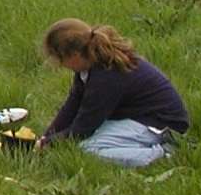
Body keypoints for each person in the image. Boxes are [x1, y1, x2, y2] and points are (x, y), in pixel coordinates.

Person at [36, 18, 189, 167]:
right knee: (77, 141)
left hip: (159, 123)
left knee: (86, 148)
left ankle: (163, 156)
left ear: (74, 55)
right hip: (136, 118)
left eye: (60, 60)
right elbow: (73, 105)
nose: (62, 65)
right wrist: (47, 136)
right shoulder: (89, 64)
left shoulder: (106, 75)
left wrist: (51, 144)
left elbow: (84, 127)